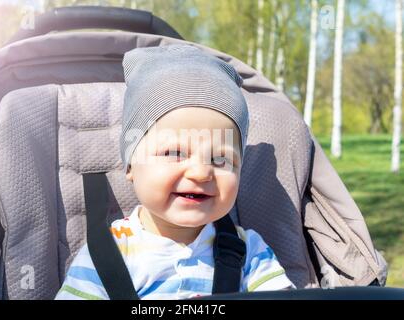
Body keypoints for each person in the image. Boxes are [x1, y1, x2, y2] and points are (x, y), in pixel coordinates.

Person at [55, 44, 294, 300]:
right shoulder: (107, 253)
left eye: (221, 159)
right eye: (174, 154)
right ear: (131, 165)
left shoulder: (250, 252)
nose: (201, 172)